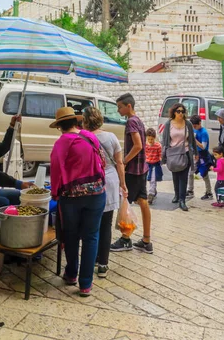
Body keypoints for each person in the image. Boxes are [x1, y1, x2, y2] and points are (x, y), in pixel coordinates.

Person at [50, 107, 106, 297]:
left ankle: (71, 274)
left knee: (71, 235)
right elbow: (102, 163)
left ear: (60, 127)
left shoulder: (61, 144)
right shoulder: (91, 137)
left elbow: (56, 172)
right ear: (76, 122)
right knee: (91, 237)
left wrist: (55, 194)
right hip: (97, 194)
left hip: (71, 198)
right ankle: (85, 285)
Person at [82, 107, 127, 279]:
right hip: (110, 181)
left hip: (92, 182)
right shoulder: (111, 137)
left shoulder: (82, 138)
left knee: (92, 224)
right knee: (106, 224)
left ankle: (92, 259)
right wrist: (123, 184)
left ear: (85, 121)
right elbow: (120, 163)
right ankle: (103, 264)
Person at [110, 93, 153, 254]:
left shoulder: (131, 122)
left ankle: (126, 239)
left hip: (134, 170)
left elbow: (138, 145)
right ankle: (146, 241)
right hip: (142, 169)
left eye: (120, 106)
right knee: (143, 202)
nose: (118, 110)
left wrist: (124, 161)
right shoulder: (139, 121)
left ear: (129, 106)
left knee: (125, 204)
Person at [162, 103, 197, 212]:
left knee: (183, 177)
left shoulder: (188, 124)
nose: (181, 113)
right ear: (174, 112)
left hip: (185, 153)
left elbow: (192, 139)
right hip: (172, 153)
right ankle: (176, 195)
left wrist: (195, 152)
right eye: (178, 111)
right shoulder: (168, 124)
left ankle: (182, 200)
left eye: (182, 111)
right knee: (175, 175)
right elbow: (165, 140)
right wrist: (163, 154)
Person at [189, 115, 213, 200]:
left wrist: (194, 140)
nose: (194, 127)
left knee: (204, 174)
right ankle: (190, 191)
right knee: (191, 172)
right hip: (195, 154)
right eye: (193, 126)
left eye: (195, 126)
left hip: (203, 155)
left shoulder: (204, 132)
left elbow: (203, 146)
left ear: (199, 123)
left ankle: (209, 193)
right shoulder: (194, 129)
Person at [146, 128, 163, 205]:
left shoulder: (158, 146)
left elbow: (160, 155)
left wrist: (161, 159)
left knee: (153, 179)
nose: (150, 141)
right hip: (147, 164)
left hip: (155, 165)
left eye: (152, 139)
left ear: (154, 138)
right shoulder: (145, 145)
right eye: (149, 139)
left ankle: (151, 195)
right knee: (149, 179)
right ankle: (153, 190)